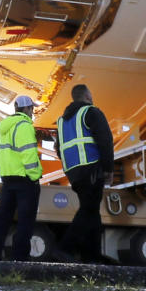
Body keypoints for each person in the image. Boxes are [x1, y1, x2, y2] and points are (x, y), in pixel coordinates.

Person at [56, 84, 114, 262]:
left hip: (74, 172)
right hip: (91, 169)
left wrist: (69, 167)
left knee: (92, 211)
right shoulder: (92, 112)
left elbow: (58, 148)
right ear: (88, 96)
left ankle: (92, 255)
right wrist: (108, 169)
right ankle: (65, 248)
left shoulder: (62, 121)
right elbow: (105, 141)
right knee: (88, 209)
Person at [0, 95, 43, 261]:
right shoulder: (24, 126)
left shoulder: (3, 129)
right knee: (25, 222)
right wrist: (35, 176)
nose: (32, 111)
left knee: (2, 220)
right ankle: (19, 259)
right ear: (26, 109)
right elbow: (29, 155)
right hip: (25, 181)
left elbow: (0, 155)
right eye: (32, 108)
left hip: (8, 180)